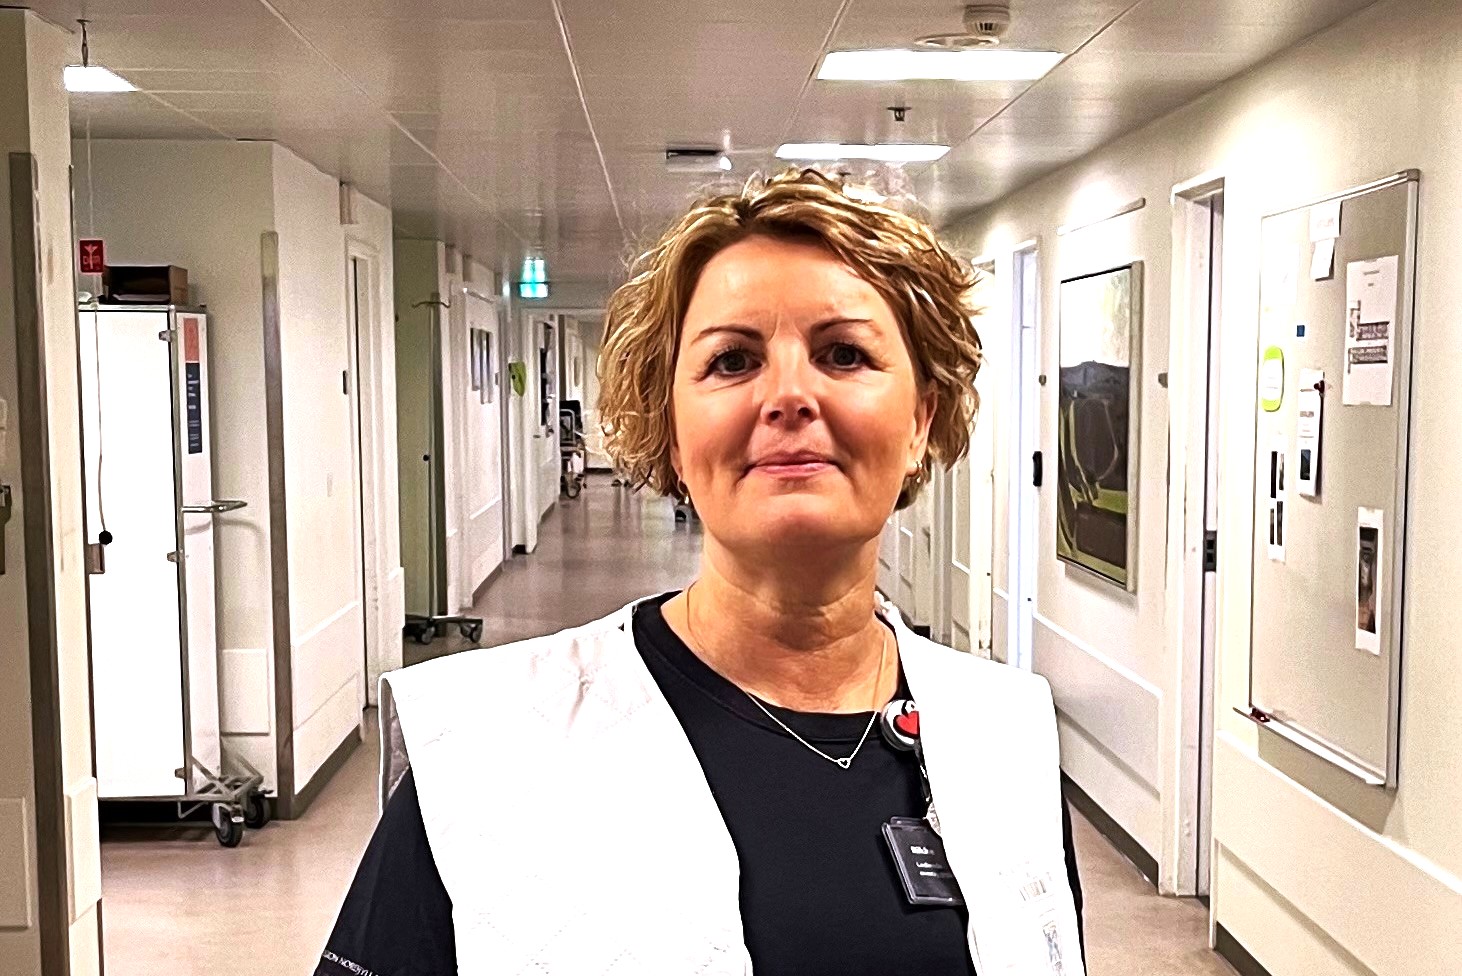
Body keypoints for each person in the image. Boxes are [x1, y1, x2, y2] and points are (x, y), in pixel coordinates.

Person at [316, 169, 1085, 976]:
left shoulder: (1005, 736)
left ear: (921, 419)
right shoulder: (486, 747)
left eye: (844, 354)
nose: (789, 395)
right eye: (733, 361)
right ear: (673, 432)